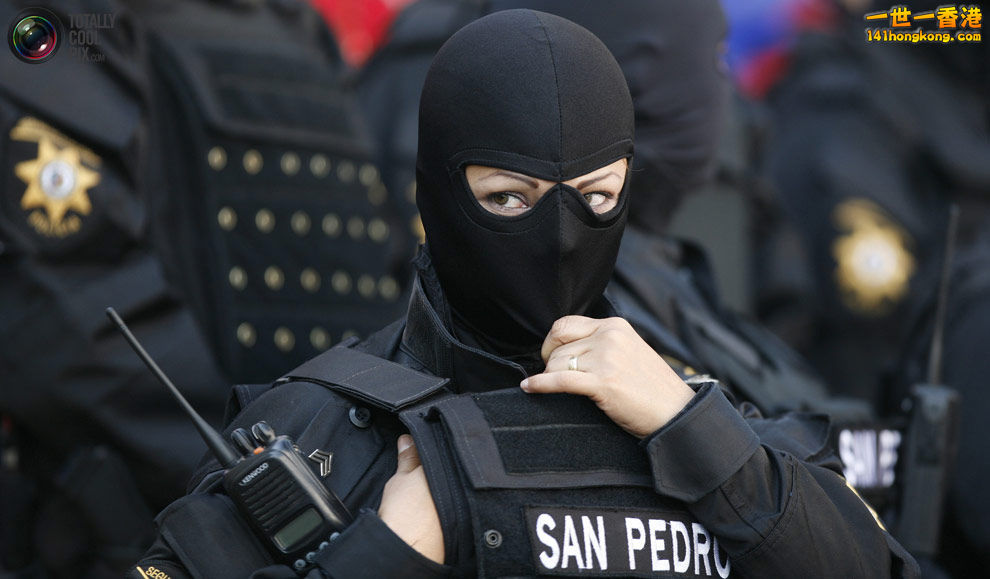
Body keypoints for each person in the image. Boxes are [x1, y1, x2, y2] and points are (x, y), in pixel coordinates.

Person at [130, 10, 918, 578]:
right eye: (510, 198)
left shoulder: (692, 413)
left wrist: (700, 433)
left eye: (598, 197)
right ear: (437, 193)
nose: (561, 237)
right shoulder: (316, 429)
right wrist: (387, 553)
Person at [0, 0, 413, 575]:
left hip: (332, 510)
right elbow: (73, 322)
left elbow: (373, 255)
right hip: (157, 532)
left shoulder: (291, 24)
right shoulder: (55, 26)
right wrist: (266, 485)